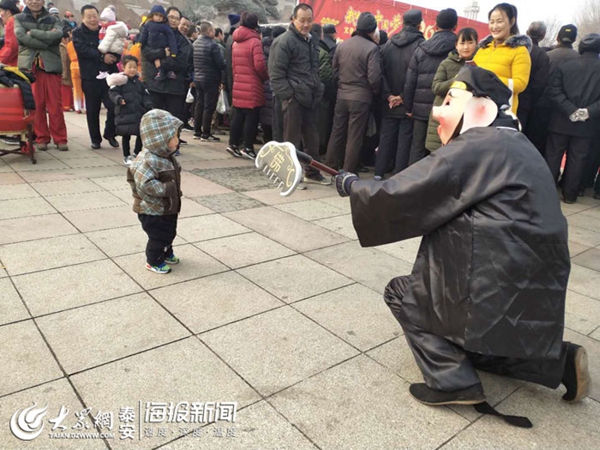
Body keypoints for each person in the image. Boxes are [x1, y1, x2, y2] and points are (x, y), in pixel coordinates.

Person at [333, 66, 590, 424]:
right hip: (537, 286)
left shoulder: (478, 144)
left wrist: (352, 186)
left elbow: (403, 192)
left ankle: (452, 381)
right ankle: (557, 363)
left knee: (406, 293)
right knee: (475, 326)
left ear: (480, 108)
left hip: (491, 281)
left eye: (450, 101)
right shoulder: (521, 145)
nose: (439, 110)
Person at [269, 3, 328, 187]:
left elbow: (313, 69)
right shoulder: (284, 41)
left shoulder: (312, 40)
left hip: (310, 98)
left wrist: (318, 88)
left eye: (309, 20)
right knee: (290, 141)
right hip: (293, 99)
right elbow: (276, 74)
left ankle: (312, 172)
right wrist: (289, 96)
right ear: (293, 19)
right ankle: (287, 176)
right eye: (301, 20)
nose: (305, 24)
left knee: (312, 139)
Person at [545, 34, 600, 204]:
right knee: (578, 159)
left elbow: (554, 91)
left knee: (553, 156)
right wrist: (587, 112)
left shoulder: (566, 67)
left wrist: (570, 110)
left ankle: (546, 192)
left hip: (561, 120)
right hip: (587, 124)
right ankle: (570, 195)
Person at [324, 11, 381, 174]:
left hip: (342, 95)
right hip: (361, 98)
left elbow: (334, 72)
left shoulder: (342, 45)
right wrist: (374, 93)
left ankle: (330, 166)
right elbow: (374, 78)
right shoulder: (372, 48)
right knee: (354, 136)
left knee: (337, 132)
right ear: (372, 31)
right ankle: (348, 171)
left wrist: (339, 88)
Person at [127, 109, 183, 275]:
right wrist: (169, 188)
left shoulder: (165, 155)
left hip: (166, 207)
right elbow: (146, 185)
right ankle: (153, 260)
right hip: (152, 209)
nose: (177, 141)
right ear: (158, 139)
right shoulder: (147, 160)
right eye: (173, 137)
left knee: (169, 231)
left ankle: (166, 252)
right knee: (158, 235)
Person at [404, 8, 457, 165]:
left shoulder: (422, 48)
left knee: (417, 148)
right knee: (442, 150)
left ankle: (410, 185)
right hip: (447, 111)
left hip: (420, 109)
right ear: (455, 26)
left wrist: (409, 107)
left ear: (435, 26)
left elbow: (410, 81)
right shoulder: (458, 50)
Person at [375, 9, 424, 179]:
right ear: (419, 24)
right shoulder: (421, 46)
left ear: (402, 24)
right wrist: (402, 97)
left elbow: (380, 72)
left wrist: (389, 95)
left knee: (386, 138)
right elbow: (417, 76)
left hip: (389, 102)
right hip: (407, 103)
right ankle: (398, 176)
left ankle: (378, 173)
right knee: (405, 141)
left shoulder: (388, 44)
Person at [14, 0, 68, 151]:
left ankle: (60, 138)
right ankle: (41, 137)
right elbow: (20, 37)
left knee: (55, 104)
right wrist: (46, 41)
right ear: (25, 1)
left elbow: (57, 35)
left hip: (51, 66)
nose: (35, 2)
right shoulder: (19, 18)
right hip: (31, 67)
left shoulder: (53, 19)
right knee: (37, 104)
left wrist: (34, 34)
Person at [72, 4, 119, 149]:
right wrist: (101, 57)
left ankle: (110, 133)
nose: (93, 19)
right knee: (92, 110)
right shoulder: (78, 33)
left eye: (95, 16)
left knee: (114, 106)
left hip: (108, 76)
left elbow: (116, 46)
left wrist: (114, 57)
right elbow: (82, 50)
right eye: (89, 17)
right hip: (90, 77)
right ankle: (95, 139)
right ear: (83, 18)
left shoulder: (106, 30)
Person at [425, 27, 478, 153]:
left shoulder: (480, 64)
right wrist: (456, 80)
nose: (466, 47)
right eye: (462, 43)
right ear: (456, 45)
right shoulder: (446, 63)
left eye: (470, 42)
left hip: (467, 120)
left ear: (476, 44)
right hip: (445, 118)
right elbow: (436, 87)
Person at [473, 3, 531, 115]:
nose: (495, 27)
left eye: (499, 21)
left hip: (501, 112)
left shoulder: (520, 50)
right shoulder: (483, 49)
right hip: (477, 110)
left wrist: (489, 80)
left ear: (512, 21)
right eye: (491, 22)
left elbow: (520, 84)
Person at [226, 11, 268, 159]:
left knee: (238, 115)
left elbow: (234, 65)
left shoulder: (236, 41)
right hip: (252, 85)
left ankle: (233, 144)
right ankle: (248, 147)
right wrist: (265, 76)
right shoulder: (255, 41)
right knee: (252, 117)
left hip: (239, 83)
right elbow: (260, 65)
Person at [141, 7, 192, 124]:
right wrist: (162, 52)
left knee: (172, 124)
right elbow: (146, 52)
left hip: (175, 89)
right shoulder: (153, 32)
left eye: (177, 19)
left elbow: (181, 62)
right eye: (171, 17)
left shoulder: (183, 41)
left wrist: (161, 63)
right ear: (165, 17)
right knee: (151, 122)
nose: (174, 21)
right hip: (155, 85)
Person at [108, 55, 153, 165]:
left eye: (135, 67)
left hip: (138, 113)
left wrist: (148, 105)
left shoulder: (139, 83)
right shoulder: (120, 82)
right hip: (125, 113)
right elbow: (113, 93)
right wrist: (119, 100)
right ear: (123, 67)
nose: (133, 70)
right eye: (130, 67)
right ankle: (126, 155)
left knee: (140, 135)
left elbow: (145, 96)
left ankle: (137, 153)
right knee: (126, 135)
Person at [193, 21, 225, 142]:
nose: (214, 32)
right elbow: (220, 64)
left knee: (199, 104)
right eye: (212, 30)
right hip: (211, 79)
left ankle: (197, 131)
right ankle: (206, 133)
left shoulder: (195, 43)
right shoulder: (213, 45)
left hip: (198, 78)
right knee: (209, 106)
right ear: (208, 31)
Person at [517, 21, 549, 132]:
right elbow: (539, 85)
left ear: (527, 32)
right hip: (525, 105)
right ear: (543, 35)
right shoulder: (541, 55)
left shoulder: (514, 48)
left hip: (506, 99)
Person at [139, 5, 178, 81]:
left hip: (165, 49)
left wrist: (173, 51)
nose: (158, 18)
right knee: (157, 61)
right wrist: (140, 42)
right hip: (150, 77)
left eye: (161, 16)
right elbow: (145, 51)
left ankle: (169, 71)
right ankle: (161, 72)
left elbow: (172, 40)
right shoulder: (147, 26)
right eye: (156, 15)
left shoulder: (166, 28)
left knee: (168, 59)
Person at [96, 7, 127, 80]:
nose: (102, 22)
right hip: (115, 50)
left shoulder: (111, 29)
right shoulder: (113, 28)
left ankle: (104, 72)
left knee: (106, 63)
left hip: (112, 49)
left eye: (104, 20)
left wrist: (102, 50)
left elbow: (107, 40)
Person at [66, 36, 84, 113]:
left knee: (76, 88)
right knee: (85, 88)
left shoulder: (69, 45)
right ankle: (86, 107)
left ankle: (77, 107)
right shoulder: (82, 43)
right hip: (83, 65)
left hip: (73, 65)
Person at [0, 0, 20, 66]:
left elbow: (11, 46)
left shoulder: (11, 22)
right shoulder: (18, 20)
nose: (0, 15)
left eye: (0, 11)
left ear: (8, 12)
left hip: (15, 64)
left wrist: (1, 59)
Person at [60, 30, 73, 111]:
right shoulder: (62, 48)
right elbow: (63, 61)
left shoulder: (66, 47)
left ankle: (70, 104)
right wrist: (64, 74)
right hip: (65, 72)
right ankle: (66, 105)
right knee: (65, 89)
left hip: (69, 71)